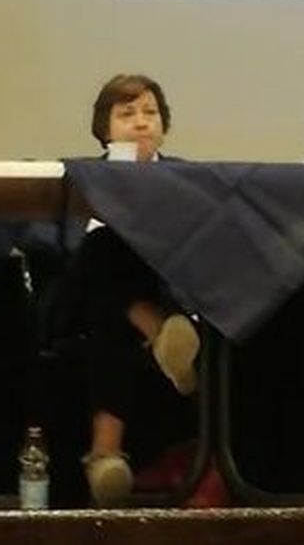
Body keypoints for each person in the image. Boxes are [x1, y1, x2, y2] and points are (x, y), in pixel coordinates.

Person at [68, 74, 200, 507]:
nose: (141, 122)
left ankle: (105, 455)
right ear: (104, 129)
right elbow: (58, 246)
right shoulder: (81, 178)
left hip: (165, 288)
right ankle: (162, 334)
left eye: (150, 113)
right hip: (85, 298)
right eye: (127, 114)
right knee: (102, 247)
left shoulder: (186, 177)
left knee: (110, 305)